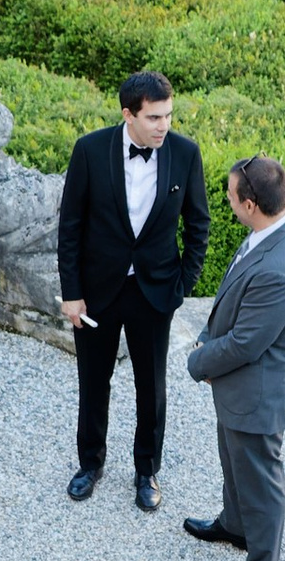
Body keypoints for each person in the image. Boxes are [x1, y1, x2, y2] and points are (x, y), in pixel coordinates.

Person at [56, 70, 209, 516]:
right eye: (154, 117)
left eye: (168, 116)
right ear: (128, 114)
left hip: (154, 292)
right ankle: (90, 464)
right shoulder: (89, 150)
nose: (164, 125)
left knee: (152, 386)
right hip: (96, 291)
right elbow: (71, 226)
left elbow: (198, 225)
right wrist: (71, 293)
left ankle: (147, 471)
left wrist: (181, 286)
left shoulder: (184, 153)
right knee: (93, 382)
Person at [182, 154, 285, 561]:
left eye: (232, 195)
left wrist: (198, 359)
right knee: (233, 458)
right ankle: (235, 525)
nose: (227, 200)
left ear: (252, 203)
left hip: (257, 392)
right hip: (242, 388)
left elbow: (245, 343)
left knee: (261, 480)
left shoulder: (280, 265)